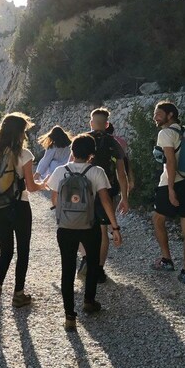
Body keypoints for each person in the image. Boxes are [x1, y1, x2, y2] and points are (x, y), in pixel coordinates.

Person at [47, 134, 123, 331]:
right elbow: (106, 201)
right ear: (92, 154)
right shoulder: (97, 172)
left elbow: (54, 201)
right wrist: (115, 228)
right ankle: (89, 301)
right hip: (90, 226)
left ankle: (69, 315)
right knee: (92, 262)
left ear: (72, 151)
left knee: (67, 268)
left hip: (65, 228)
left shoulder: (60, 171)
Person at [0, 112, 43, 314]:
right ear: (19, 132)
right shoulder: (23, 154)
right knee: (23, 250)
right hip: (19, 207)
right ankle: (18, 294)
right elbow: (31, 186)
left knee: (5, 252)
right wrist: (45, 185)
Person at [78, 108, 129, 283]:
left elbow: (72, 165)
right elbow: (122, 174)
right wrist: (125, 198)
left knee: (81, 227)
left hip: (83, 192)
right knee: (102, 231)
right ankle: (99, 269)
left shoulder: (82, 140)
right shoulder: (114, 144)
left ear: (91, 123)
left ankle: (85, 259)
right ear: (107, 124)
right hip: (108, 192)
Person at [152, 101, 185, 284]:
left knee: (157, 219)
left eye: (159, 113)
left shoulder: (165, 133)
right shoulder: (184, 131)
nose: (155, 116)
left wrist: (171, 189)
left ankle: (166, 260)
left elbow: (170, 162)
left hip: (172, 183)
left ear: (170, 115)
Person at [106, 122, 135, 194]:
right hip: (120, 177)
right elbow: (126, 160)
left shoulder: (101, 142)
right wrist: (131, 179)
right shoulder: (121, 142)